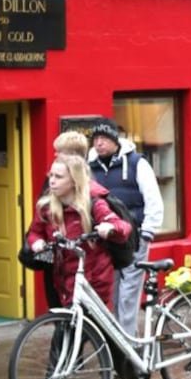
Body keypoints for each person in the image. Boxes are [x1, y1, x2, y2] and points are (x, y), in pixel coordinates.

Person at [26, 154, 132, 309]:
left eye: (59, 177)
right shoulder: (46, 207)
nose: (52, 181)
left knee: (90, 329)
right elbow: (35, 232)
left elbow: (123, 227)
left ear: (74, 181)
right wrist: (36, 242)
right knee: (68, 328)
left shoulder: (93, 204)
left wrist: (110, 228)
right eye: (51, 175)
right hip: (63, 281)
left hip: (94, 281)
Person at [88, 120, 164, 336]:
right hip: (106, 239)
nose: (99, 144)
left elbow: (153, 199)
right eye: (96, 140)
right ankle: (118, 341)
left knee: (128, 294)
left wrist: (147, 233)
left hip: (134, 237)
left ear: (115, 140)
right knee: (112, 292)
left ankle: (128, 343)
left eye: (104, 139)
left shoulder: (136, 163)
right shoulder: (90, 166)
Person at [36, 131, 112, 309]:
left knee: (74, 318)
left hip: (77, 261)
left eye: (59, 152)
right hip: (59, 256)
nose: (55, 155)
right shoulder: (62, 179)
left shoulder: (85, 187)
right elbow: (40, 221)